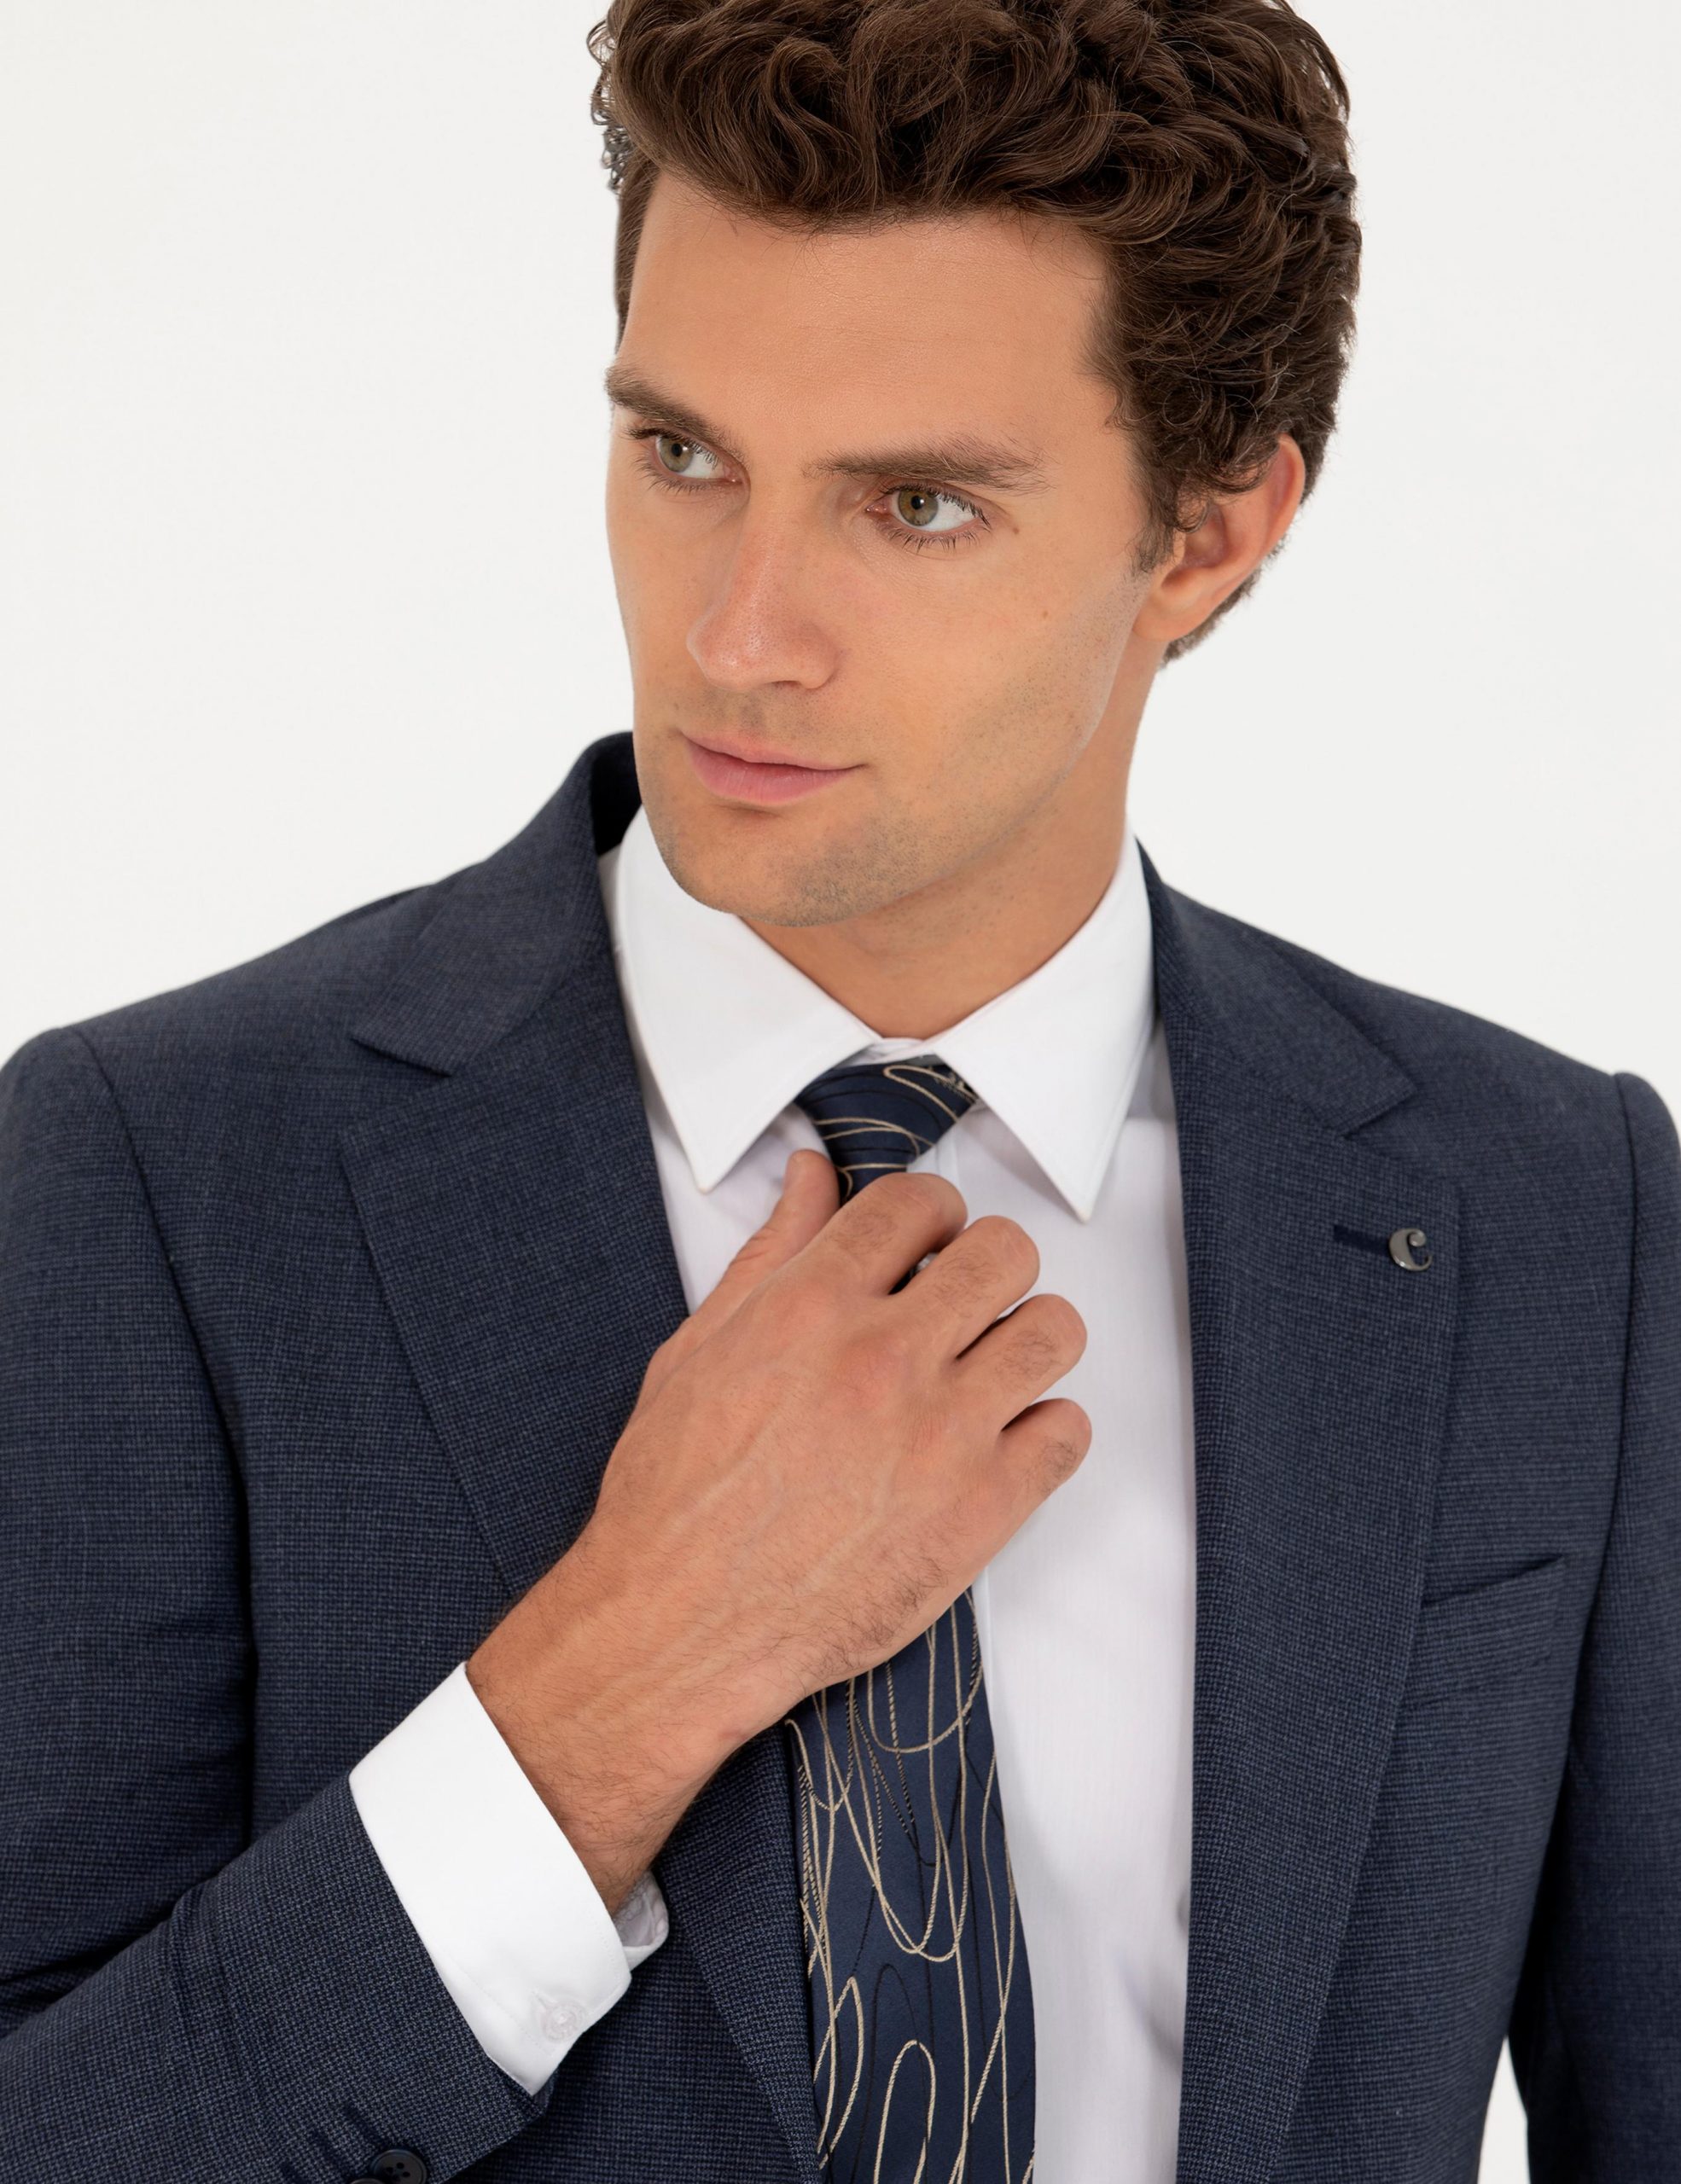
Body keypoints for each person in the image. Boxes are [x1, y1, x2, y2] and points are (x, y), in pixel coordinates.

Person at [3, 0, 1675, 2178]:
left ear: (1212, 527)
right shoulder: (153, 1176)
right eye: (682, 455)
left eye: (917, 503)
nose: (739, 633)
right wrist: (614, 1683)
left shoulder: (1554, 1214)